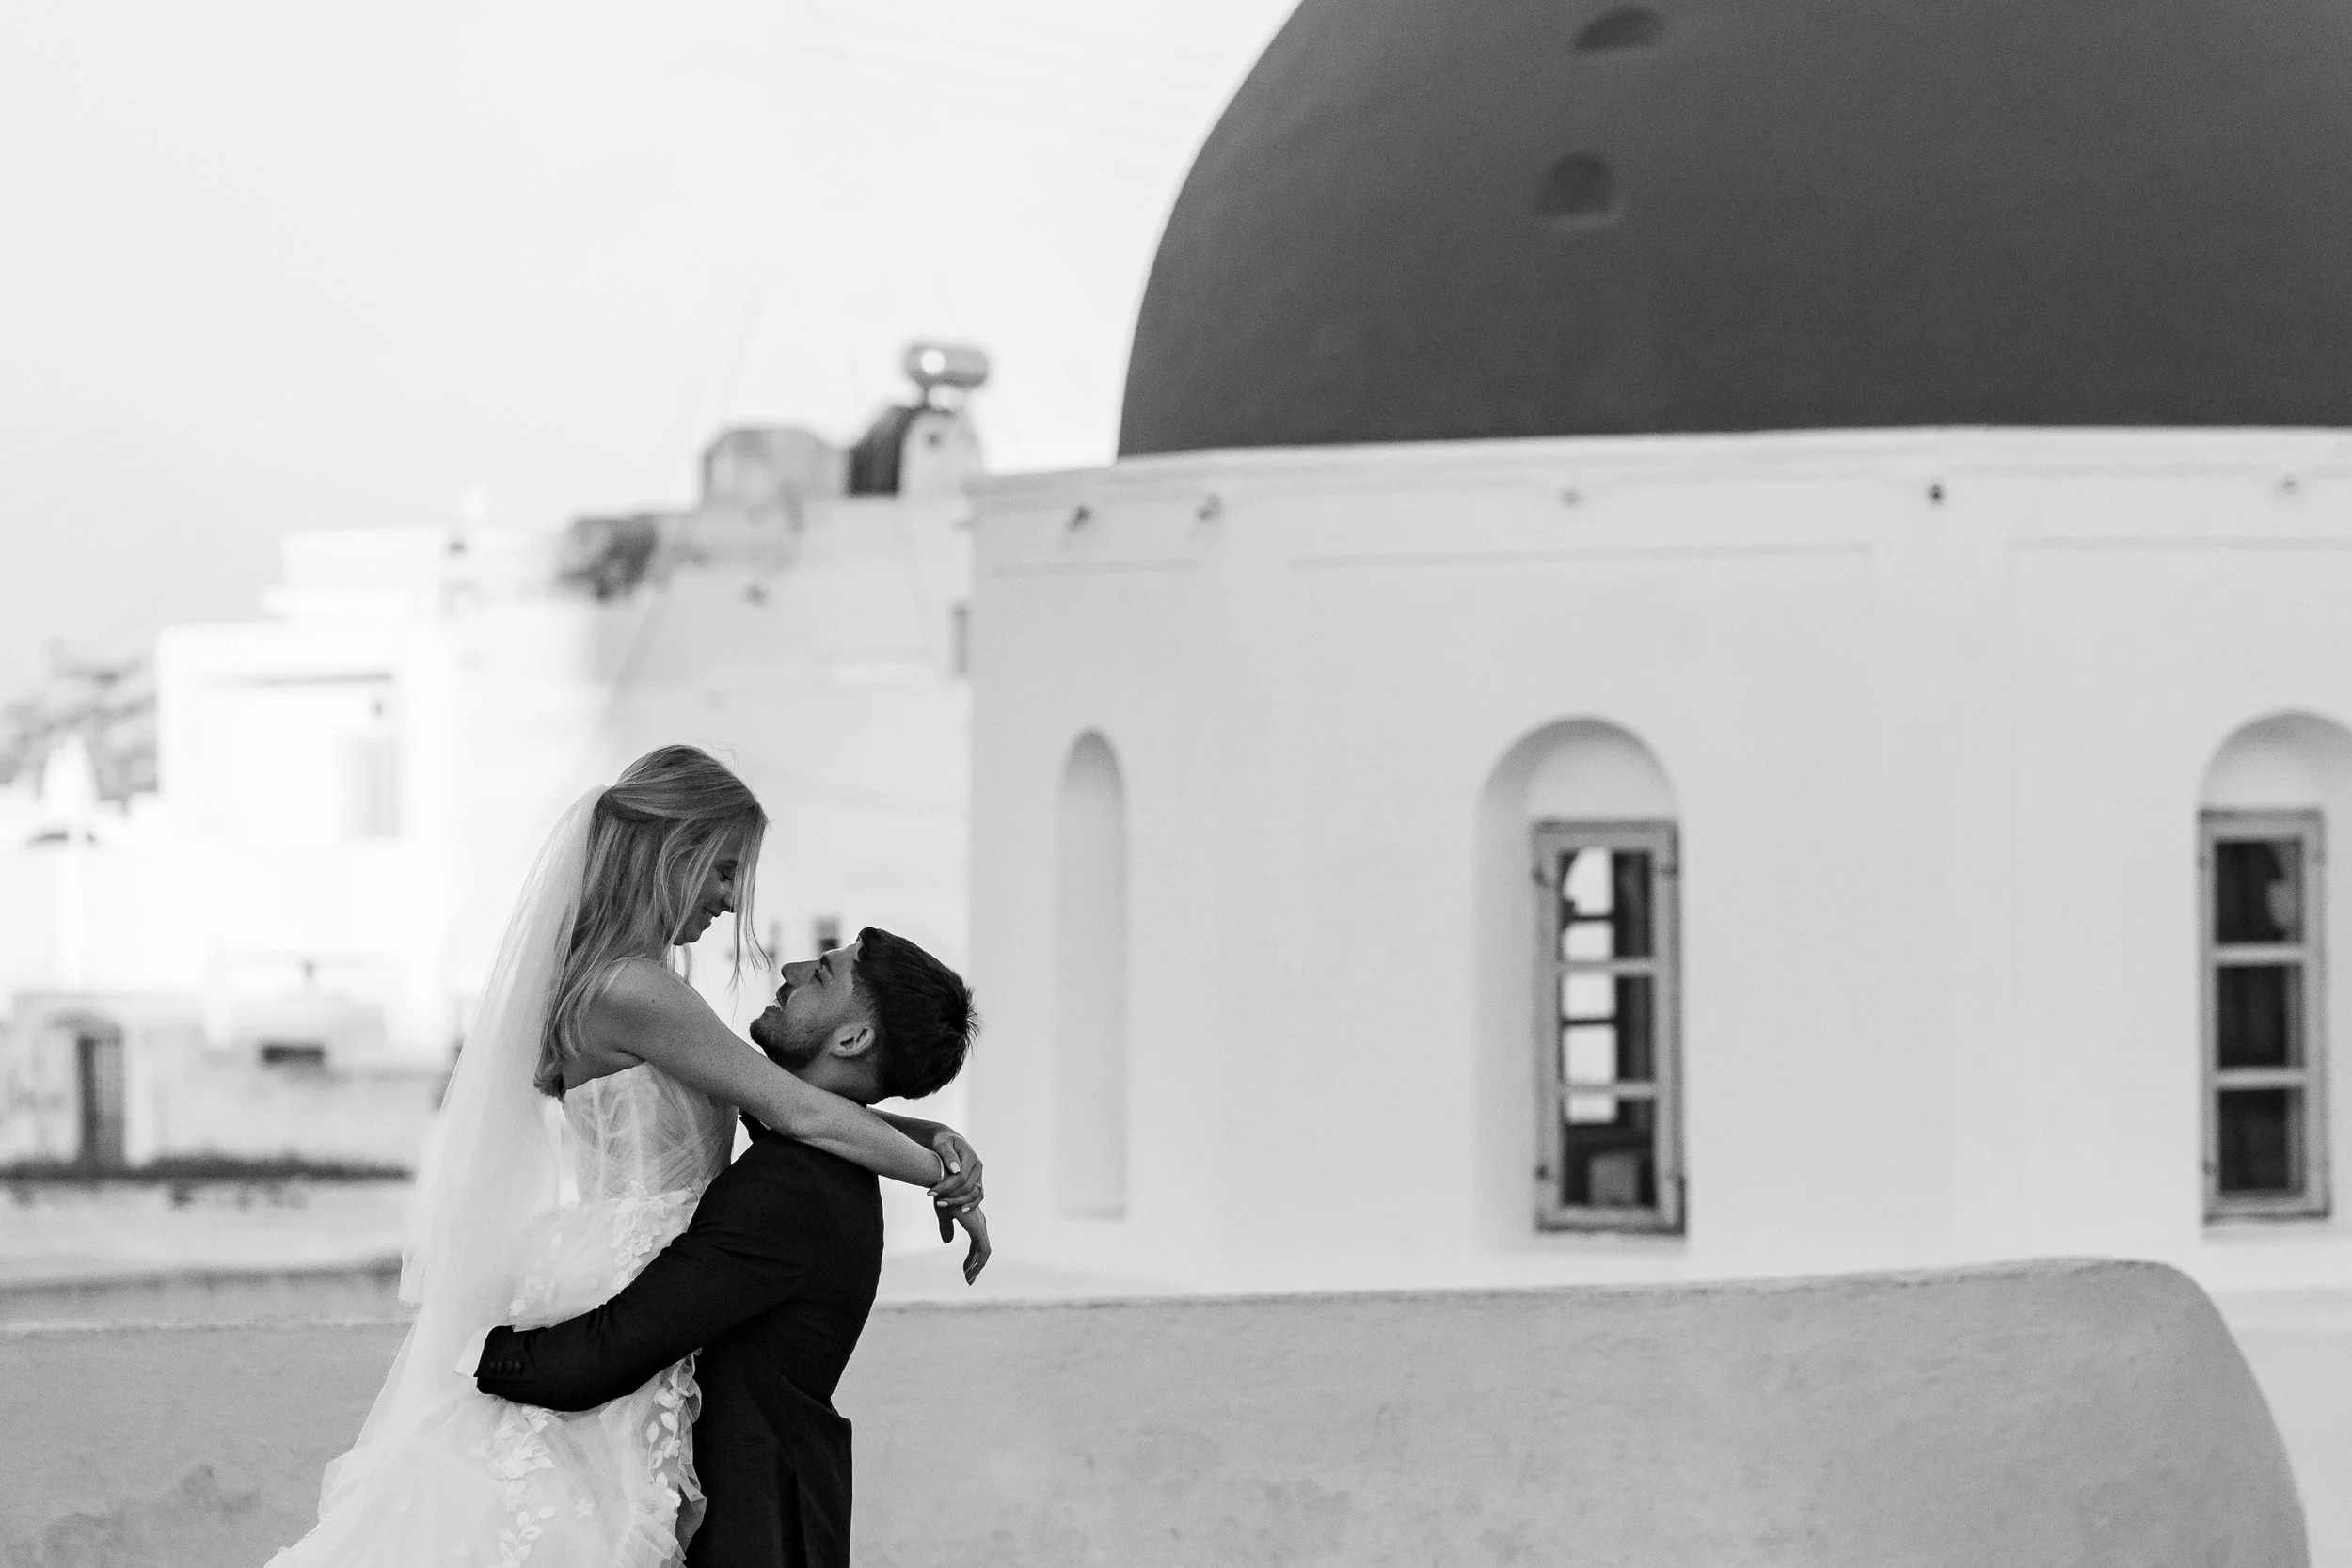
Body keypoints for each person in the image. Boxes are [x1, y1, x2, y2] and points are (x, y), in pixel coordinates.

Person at [265, 745, 985, 1568]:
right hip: (630, 1269)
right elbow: (788, 1107)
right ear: (670, 851)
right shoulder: (635, 990)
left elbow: (787, 1113)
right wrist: (942, 1172)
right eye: (720, 871)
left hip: (635, 1260)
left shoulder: (624, 984)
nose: (728, 899)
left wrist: (935, 1140)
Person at [470, 927, 982, 1568]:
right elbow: (785, 1106)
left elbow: (611, 1349)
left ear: (853, 1039)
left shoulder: (791, 1187)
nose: (791, 967)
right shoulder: (818, 1165)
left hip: (747, 1533)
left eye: (823, 972)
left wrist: (470, 1358)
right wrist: (935, 1137)